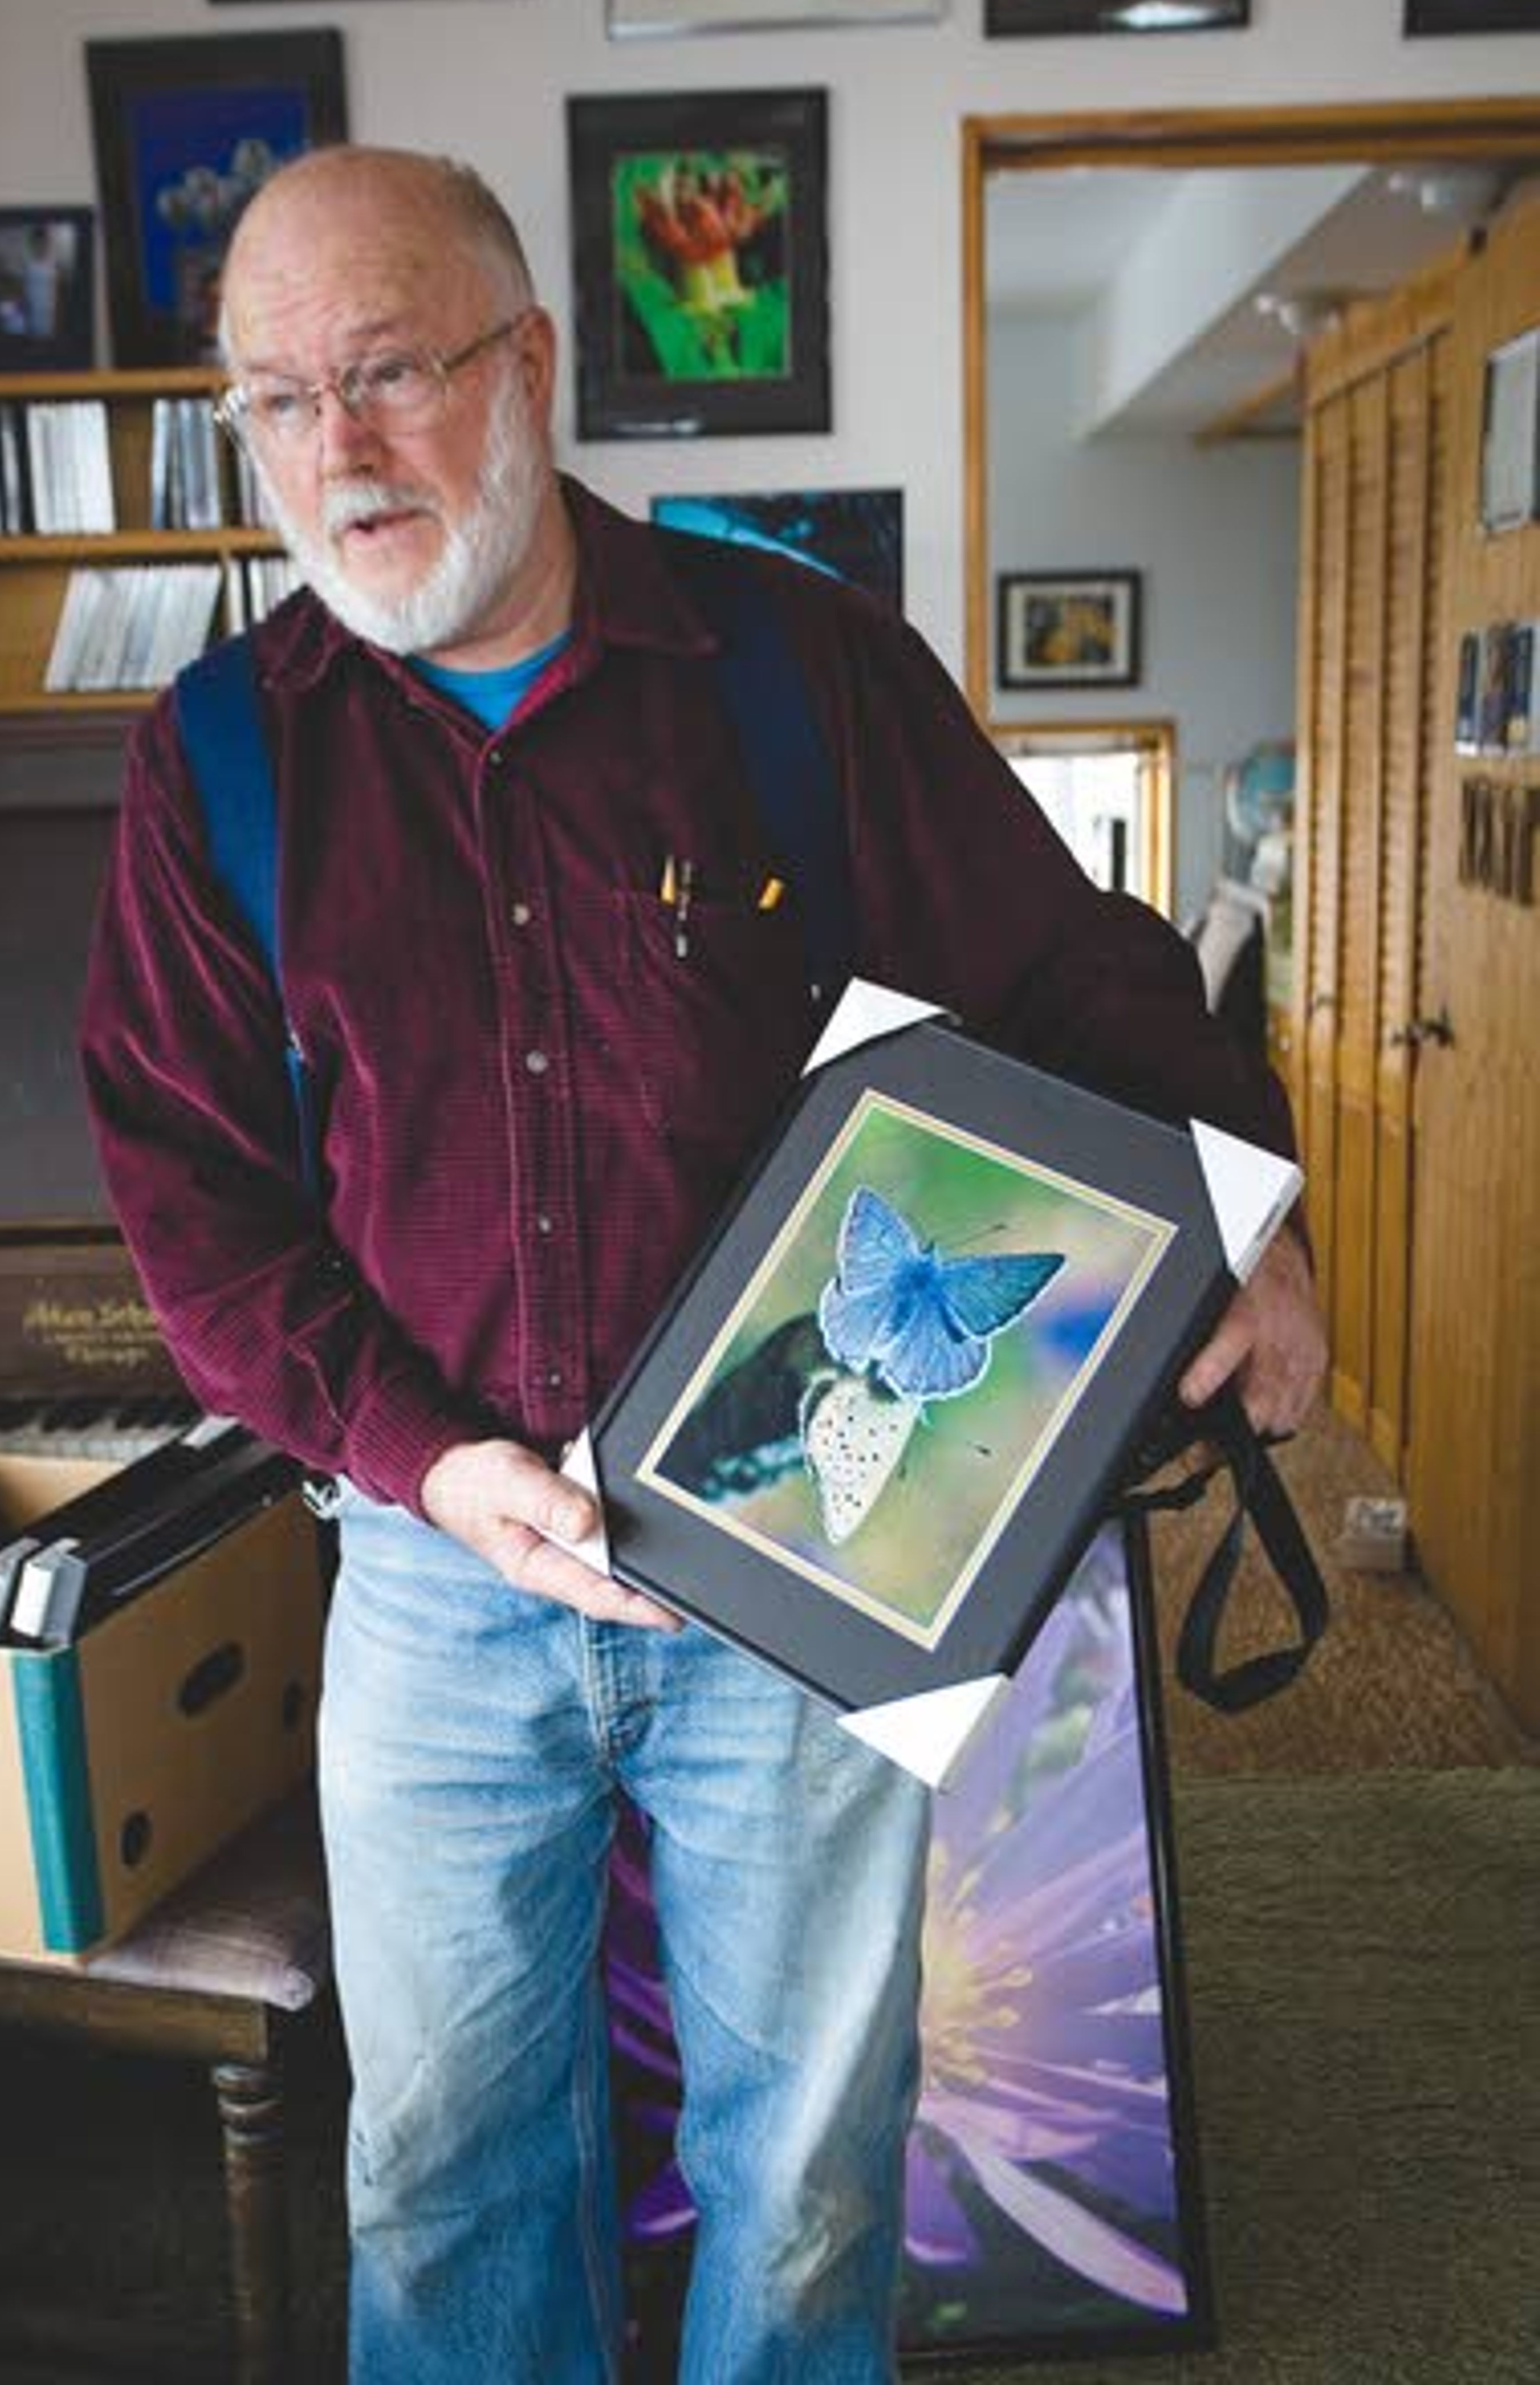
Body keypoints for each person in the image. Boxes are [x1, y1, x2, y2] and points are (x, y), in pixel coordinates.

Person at [81, 145, 1325, 2385]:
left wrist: (1263, 1205)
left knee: (814, 2156)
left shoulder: (797, 673)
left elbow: (1076, 974)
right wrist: (428, 1459)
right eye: (274, 399)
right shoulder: (217, 771)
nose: (335, 450)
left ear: (529, 364)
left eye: (386, 372)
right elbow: (193, 1196)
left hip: (810, 1566)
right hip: (437, 1584)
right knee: (447, 2163)